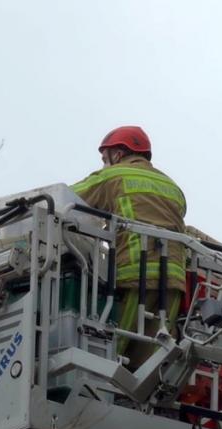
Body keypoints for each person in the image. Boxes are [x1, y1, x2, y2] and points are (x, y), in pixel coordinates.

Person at [71, 126, 188, 369]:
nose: (105, 164)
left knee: (111, 352)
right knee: (151, 364)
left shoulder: (113, 176)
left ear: (119, 153)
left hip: (136, 274)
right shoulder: (174, 188)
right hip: (175, 280)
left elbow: (68, 198)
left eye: (106, 158)